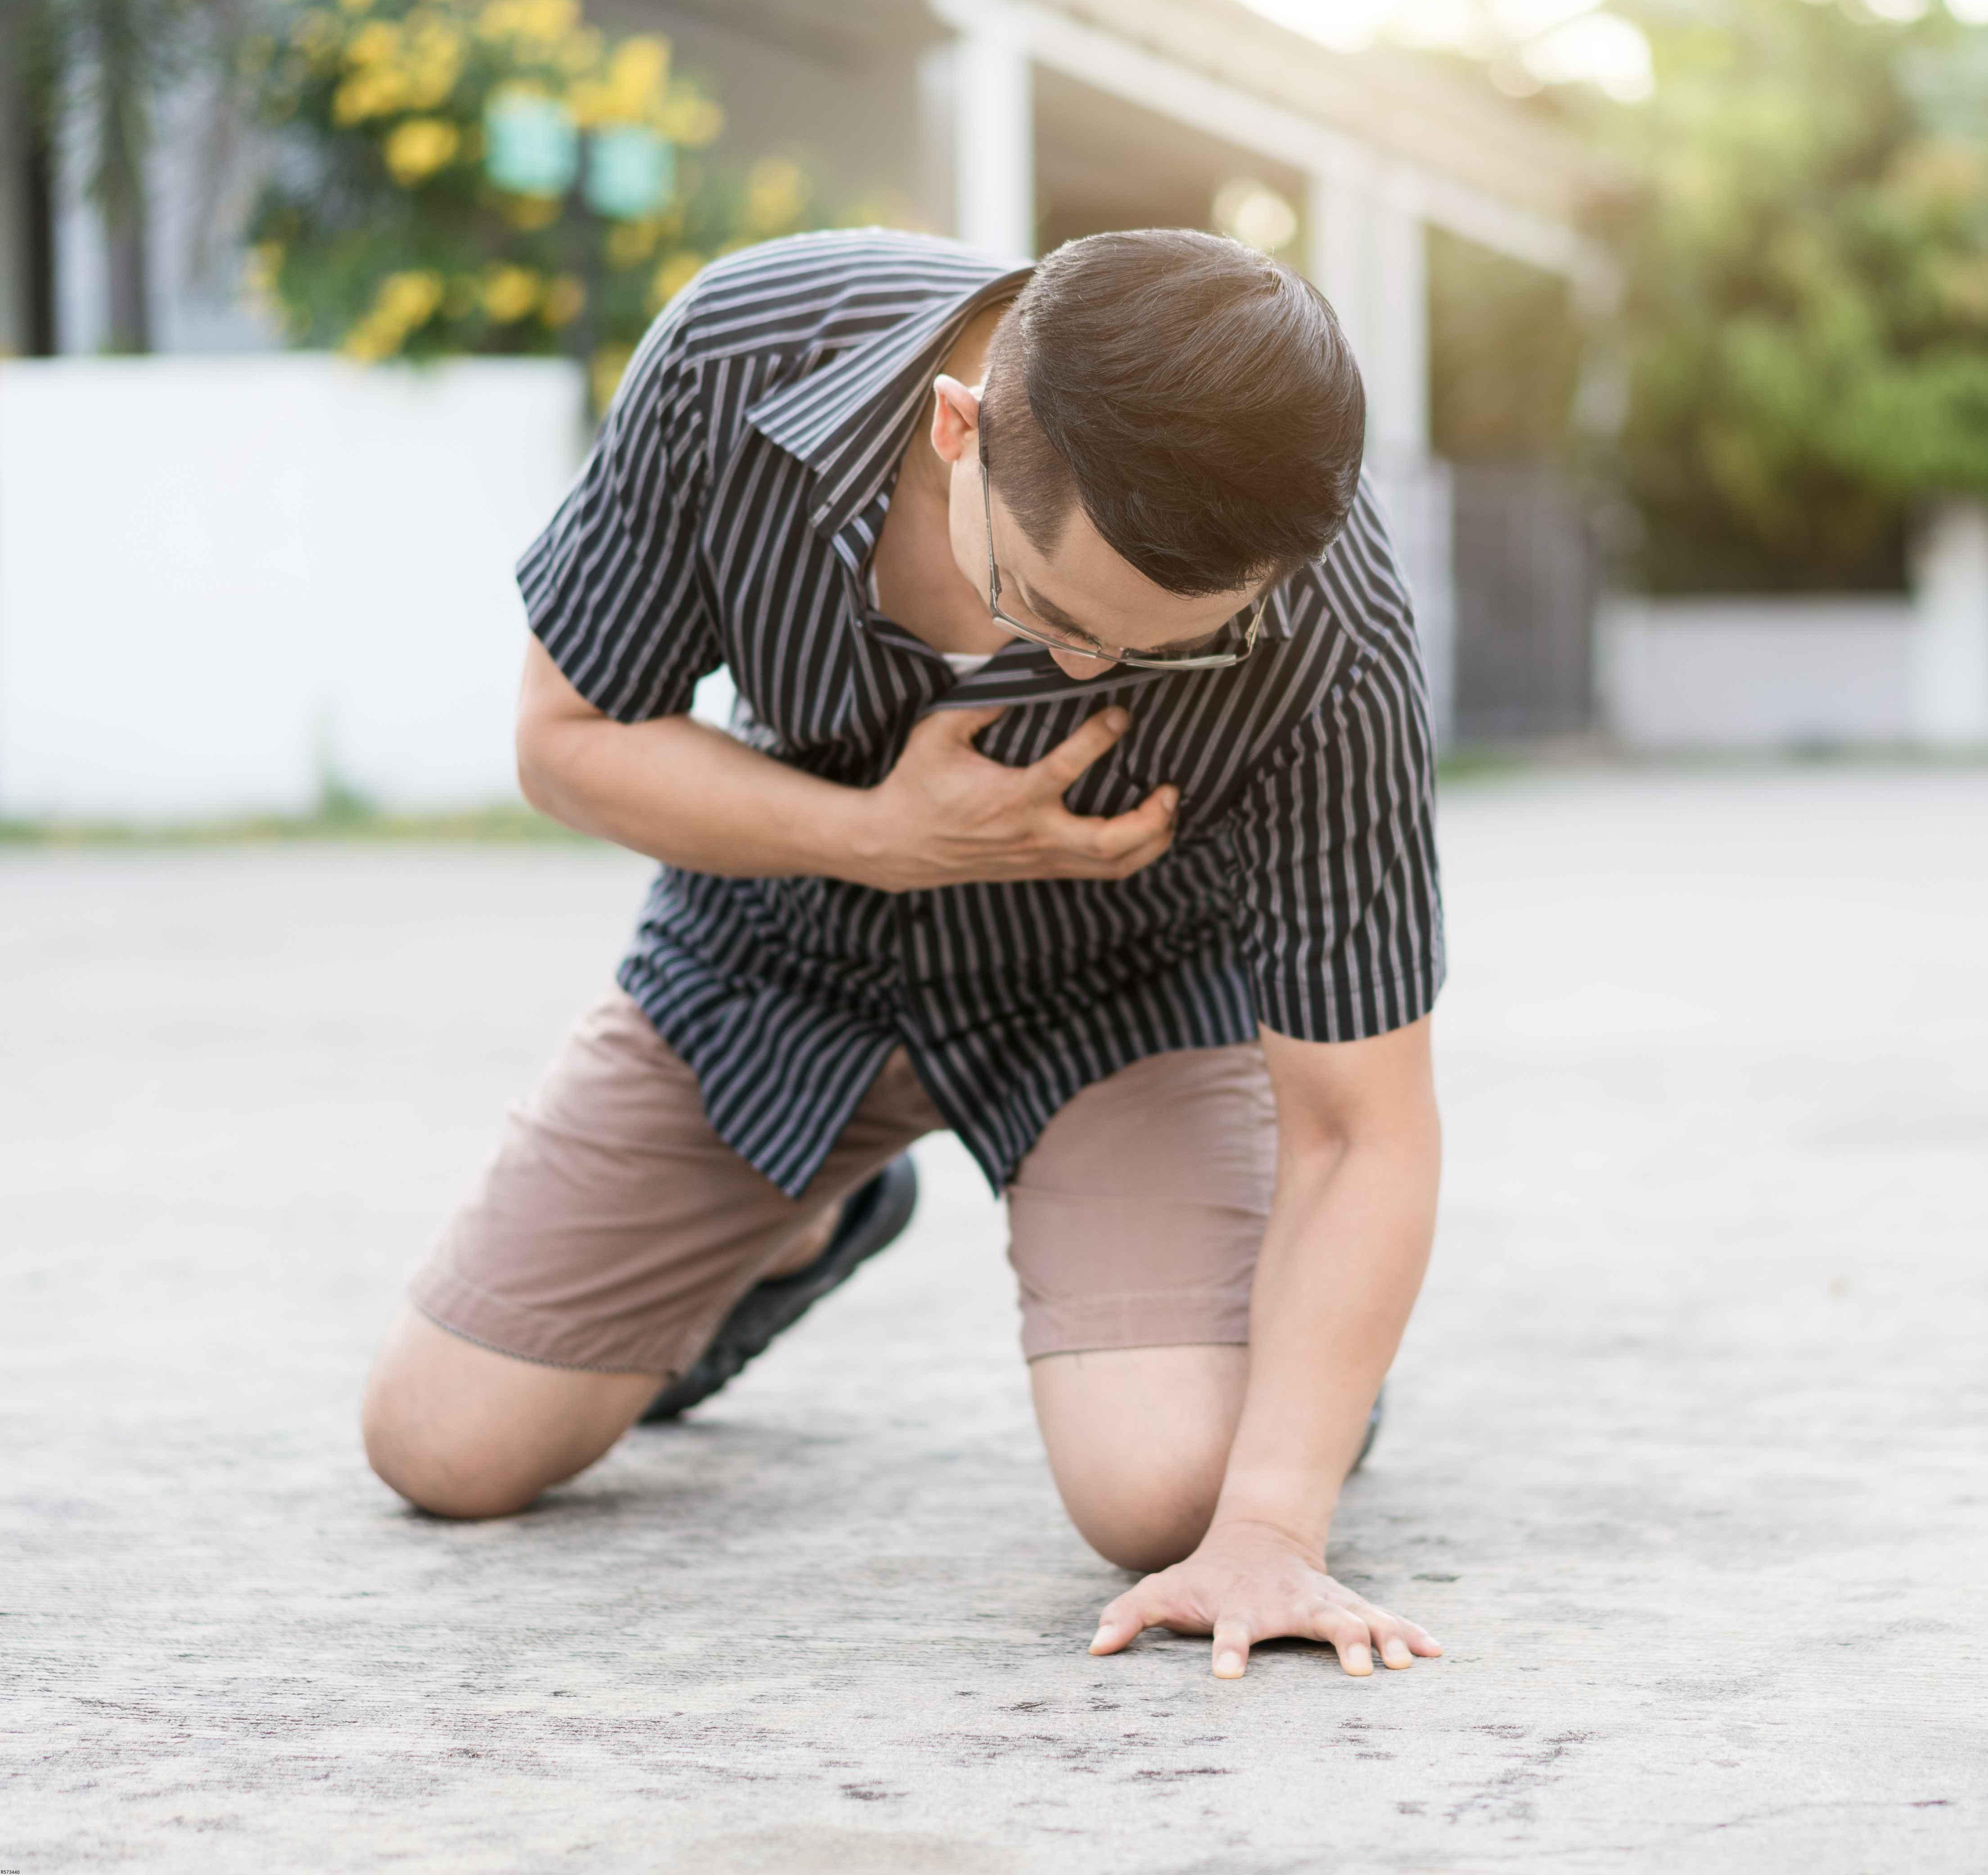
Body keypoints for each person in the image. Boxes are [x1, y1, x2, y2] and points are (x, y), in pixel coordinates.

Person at [358, 226, 1447, 1683]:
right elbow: (564, 749)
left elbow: (1358, 1129)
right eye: (1050, 613)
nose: (1076, 673)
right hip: (773, 952)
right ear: (960, 430)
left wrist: (1270, 1520)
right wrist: (884, 835)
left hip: (1113, 999)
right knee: (442, 1449)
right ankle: (810, 1220)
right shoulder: (743, 352)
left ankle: (1280, 1351)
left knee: (1169, 1500)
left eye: (1158, 652)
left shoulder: (1329, 618)